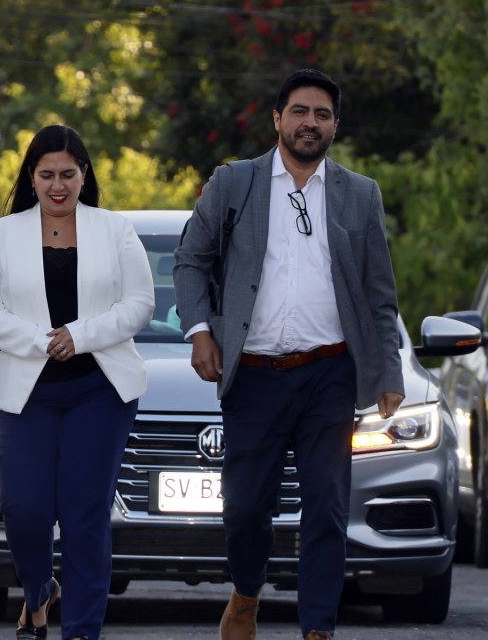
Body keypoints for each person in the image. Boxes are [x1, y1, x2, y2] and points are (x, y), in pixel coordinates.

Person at [173, 68, 404, 640]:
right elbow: (190, 260)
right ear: (278, 119)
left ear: (335, 126)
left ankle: (318, 629)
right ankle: (247, 592)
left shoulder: (360, 194)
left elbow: (380, 294)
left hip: (329, 373)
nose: (311, 123)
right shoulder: (235, 183)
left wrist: (389, 372)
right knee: (247, 510)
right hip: (252, 374)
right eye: (300, 111)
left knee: (326, 506)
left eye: (322, 114)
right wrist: (201, 331)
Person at [0, 124, 155, 640]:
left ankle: (82, 632)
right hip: (25, 393)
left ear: (83, 175)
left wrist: (80, 335)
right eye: (46, 174)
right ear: (31, 177)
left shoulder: (115, 230)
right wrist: (43, 341)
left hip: (99, 389)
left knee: (84, 515)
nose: (57, 185)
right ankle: (38, 591)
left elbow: (141, 303)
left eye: (67, 174)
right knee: (25, 511)